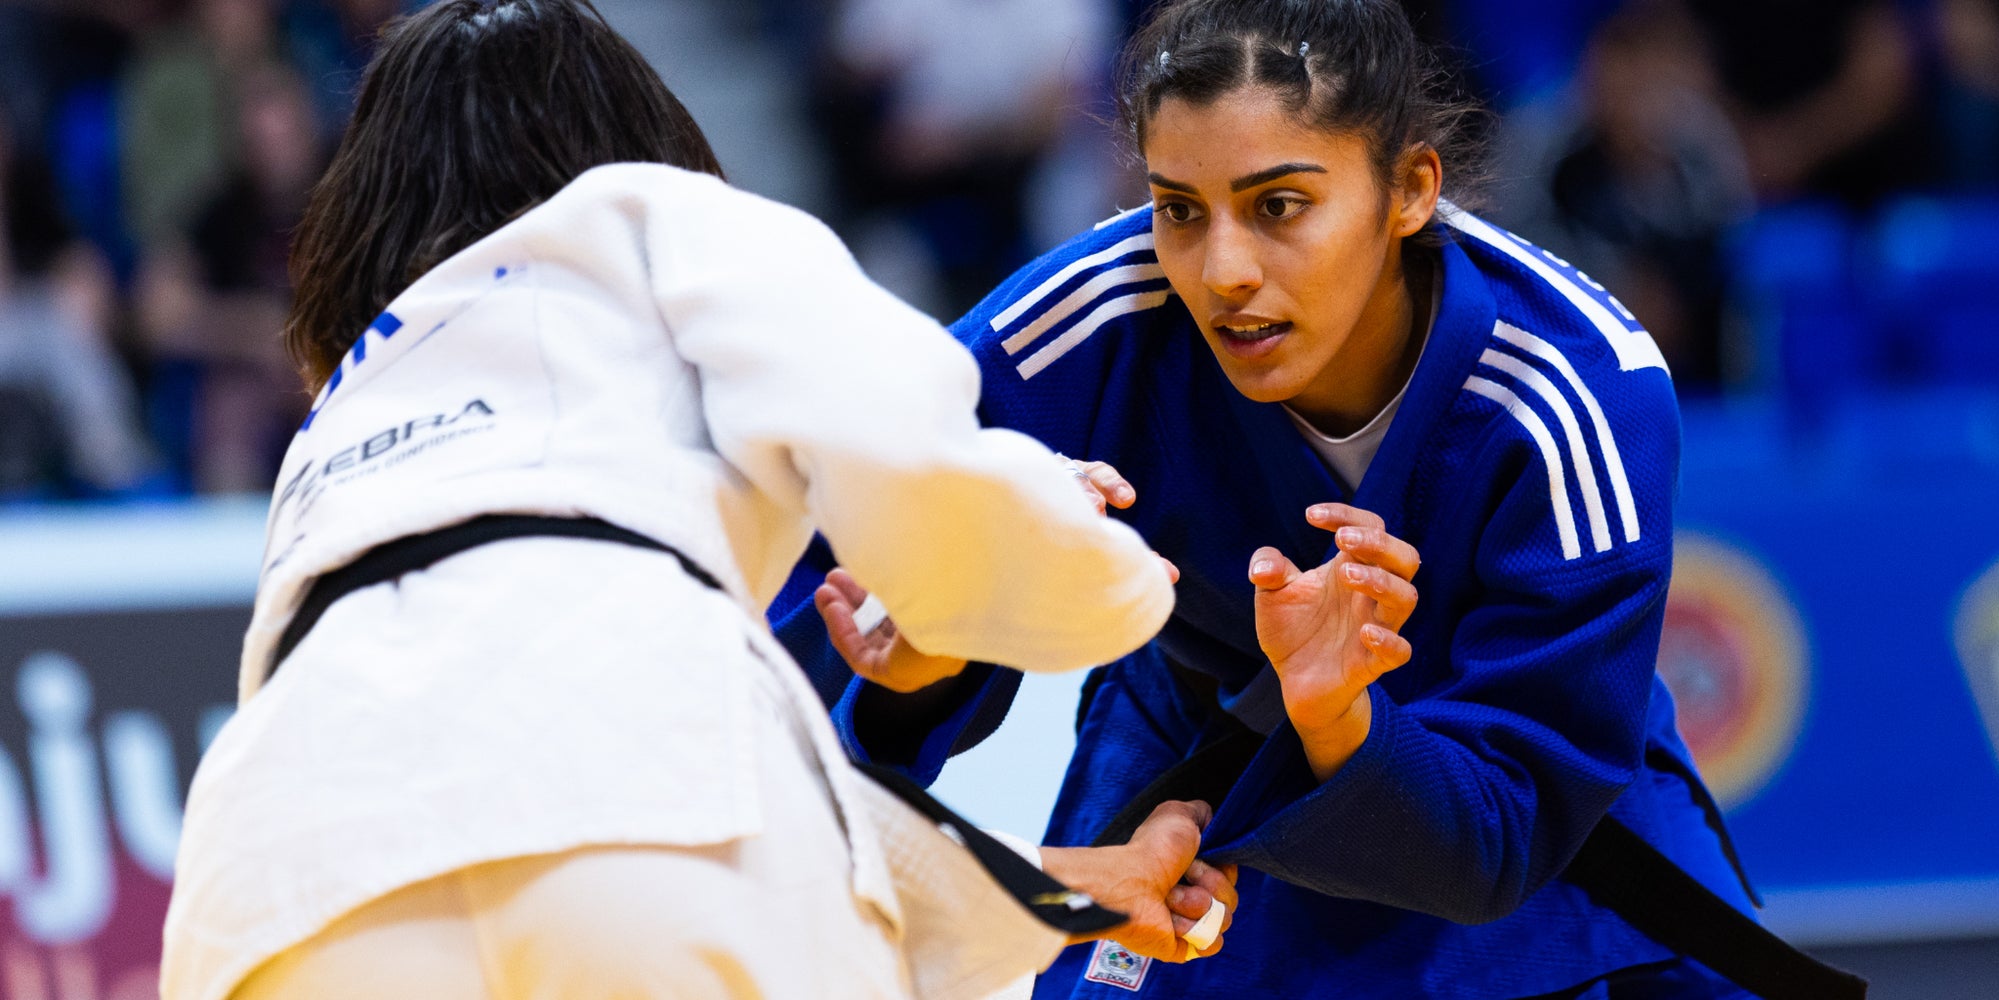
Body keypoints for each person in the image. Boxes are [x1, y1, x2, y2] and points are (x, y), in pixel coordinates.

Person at [160, 2, 1235, 998]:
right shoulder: (643, 213)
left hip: (254, 877)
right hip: (651, 834)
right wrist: (1109, 578)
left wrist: (1070, 895)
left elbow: (516, 803)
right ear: (632, 137)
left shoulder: (345, 423)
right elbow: (660, 817)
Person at [778, 0, 1840, 996]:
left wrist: (1335, 712)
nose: (1222, 267)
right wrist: (927, 653)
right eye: (1176, 209)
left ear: (1411, 189)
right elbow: (796, 656)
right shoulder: (1082, 323)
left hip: (1513, 810)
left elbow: (1500, 835)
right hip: (1191, 744)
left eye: (1278, 204)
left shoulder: (1575, 389)